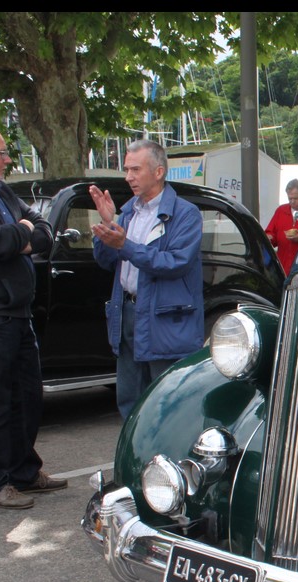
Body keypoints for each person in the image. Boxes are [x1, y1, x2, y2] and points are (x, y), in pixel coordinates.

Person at [0, 122, 66, 509]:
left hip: (17, 313)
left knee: (26, 397)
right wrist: (19, 233)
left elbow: (44, 232)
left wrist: (19, 234)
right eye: (0, 153)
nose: (7, 160)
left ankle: (24, 471)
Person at [89, 139, 203, 419]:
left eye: (135, 170)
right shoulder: (128, 212)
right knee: (129, 399)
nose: (128, 177)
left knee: (166, 402)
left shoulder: (185, 213)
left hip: (165, 318)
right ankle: (135, 460)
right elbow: (106, 261)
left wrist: (124, 244)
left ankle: (166, 460)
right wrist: (107, 224)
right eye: (127, 169)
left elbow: (175, 263)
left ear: (159, 172)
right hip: (127, 311)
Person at [264, 178, 298, 276]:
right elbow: (271, 232)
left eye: (295, 198)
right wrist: (269, 237)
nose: (292, 202)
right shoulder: (281, 211)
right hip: (283, 267)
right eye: (290, 198)